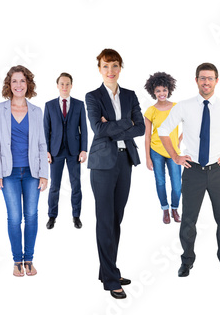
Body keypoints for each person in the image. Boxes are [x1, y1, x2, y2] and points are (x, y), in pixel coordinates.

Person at [158, 62, 220, 278]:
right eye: (202, 78)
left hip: (219, 171)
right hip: (193, 171)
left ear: (216, 81)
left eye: (210, 78)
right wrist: (175, 156)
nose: (206, 81)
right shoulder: (184, 106)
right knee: (189, 220)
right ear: (196, 80)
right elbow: (163, 130)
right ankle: (187, 261)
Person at [85, 49, 145, 299]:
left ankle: (107, 269)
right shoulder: (93, 96)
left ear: (121, 68)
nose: (111, 71)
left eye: (115, 66)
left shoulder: (130, 95)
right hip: (102, 165)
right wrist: (126, 124)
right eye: (106, 66)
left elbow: (141, 127)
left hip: (125, 162)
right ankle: (110, 279)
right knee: (105, 220)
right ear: (99, 69)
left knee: (116, 219)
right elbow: (98, 129)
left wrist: (116, 128)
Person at [0, 65, 48, 277]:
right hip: (9, 173)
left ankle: (29, 259)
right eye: (14, 81)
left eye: (22, 81)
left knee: (32, 216)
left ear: (28, 84)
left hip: (33, 172)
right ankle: (17, 260)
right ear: (9, 84)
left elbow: (42, 144)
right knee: (14, 217)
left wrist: (44, 174)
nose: (18, 85)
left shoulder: (36, 111)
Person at [43, 72, 88, 230]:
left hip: (74, 151)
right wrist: (46, 151)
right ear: (57, 86)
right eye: (61, 84)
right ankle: (51, 216)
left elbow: (84, 128)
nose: (64, 87)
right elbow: (45, 130)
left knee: (76, 185)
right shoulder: (49, 105)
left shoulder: (79, 104)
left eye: (67, 84)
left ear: (71, 85)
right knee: (54, 185)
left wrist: (84, 149)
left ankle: (76, 216)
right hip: (55, 151)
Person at [143, 72, 182, 224]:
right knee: (160, 182)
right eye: (158, 90)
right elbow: (147, 136)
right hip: (156, 151)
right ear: (153, 91)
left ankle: (175, 208)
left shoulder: (177, 107)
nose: (161, 93)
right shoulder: (150, 111)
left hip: (174, 152)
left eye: (164, 90)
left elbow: (190, 125)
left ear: (169, 90)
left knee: (177, 185)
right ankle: (165, 209)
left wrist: (178, 141)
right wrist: (147, 158)